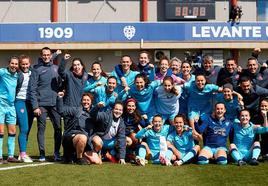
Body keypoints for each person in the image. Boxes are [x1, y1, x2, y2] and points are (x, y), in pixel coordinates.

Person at [30, 47, 62, 162]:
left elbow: (60, 85)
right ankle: (42, 153)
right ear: (41, 55)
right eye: (44, 55)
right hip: (41, 105)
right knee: (41, 129)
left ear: (50, 55)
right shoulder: (36, 69)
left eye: (48, 54)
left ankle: (57, 153)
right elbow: (32, 89)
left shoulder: (56, 69)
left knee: (58, 128)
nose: (46, 56)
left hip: (55, 104)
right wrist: (35, 106)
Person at [57, 92, 101, 165]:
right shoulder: (76, 110)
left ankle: (75, 156)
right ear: (81, 101)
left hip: (87, 141)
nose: (86, 102)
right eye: (84, 100)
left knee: (97, 162)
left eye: (88, 100)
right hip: (72, 138)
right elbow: (61, 110)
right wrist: (59, 98)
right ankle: (79, 158)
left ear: (91, 102)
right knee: (82, 137)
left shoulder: (94, 113)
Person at [15, 55, 34, 163]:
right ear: (20, 64)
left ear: (29, 63)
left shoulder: (33, 72)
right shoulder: (17, 74)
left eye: (27, 64)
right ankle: (23, 154)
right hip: (19, 101)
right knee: (24, 128)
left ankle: (22, 152)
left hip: (30, 103)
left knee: (27, 130)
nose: (25, 66)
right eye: (23, 64)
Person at [0, 56, 19, 163]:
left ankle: (10, 156)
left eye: (16, 64)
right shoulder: (2, 72)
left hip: (11, 107)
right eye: (12, 63)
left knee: (12, 131)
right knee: (0, 131)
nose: (14, 66)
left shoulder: (17, 75)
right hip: (1, 106)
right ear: (9, 63)